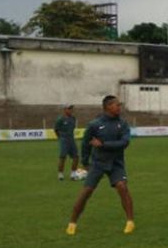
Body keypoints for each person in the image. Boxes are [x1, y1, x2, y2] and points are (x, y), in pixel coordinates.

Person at [65, 96, 134, 236]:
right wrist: (85, 162)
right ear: (108, 106)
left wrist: (103, 144)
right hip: (98, 163)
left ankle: (130, 221)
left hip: (116, 163)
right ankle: (72, 222)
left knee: (122, 187)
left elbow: (125, 143)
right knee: (86, 192)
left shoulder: (123, 123)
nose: (119, 107)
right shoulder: (95, 124)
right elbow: (85, 144)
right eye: (117, 105)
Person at [55, 104, 80, 180]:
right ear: (65, 110)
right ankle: (60, 174)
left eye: (71, 109)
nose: (71, 110)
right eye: (69, 109)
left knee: (76, 156)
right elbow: (56, 130)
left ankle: (73, 173)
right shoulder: (60, 119)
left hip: (71, 139)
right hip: (64, 139)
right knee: (63, 157)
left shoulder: (73, 118)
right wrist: (61, 137)